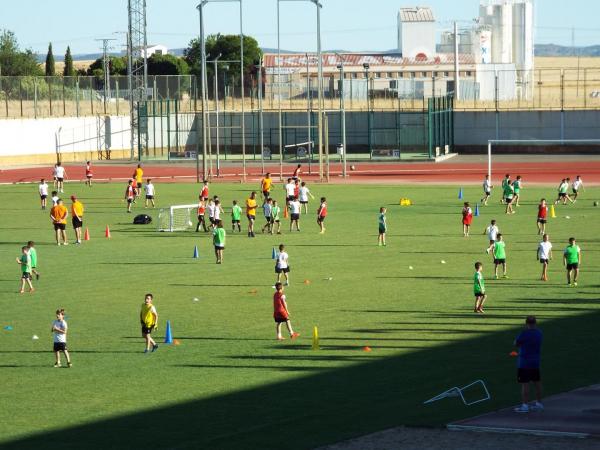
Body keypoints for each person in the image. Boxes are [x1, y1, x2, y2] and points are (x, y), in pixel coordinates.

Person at [513, 316, 543, 413]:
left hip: (524, 362)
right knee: (537, 384)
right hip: (535, 362)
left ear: (526, 323)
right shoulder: (539, 333)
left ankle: (525, 405)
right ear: (535, 323)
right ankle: (539, 403)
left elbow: (516, 344)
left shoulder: (524, 333)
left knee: (525, 385)